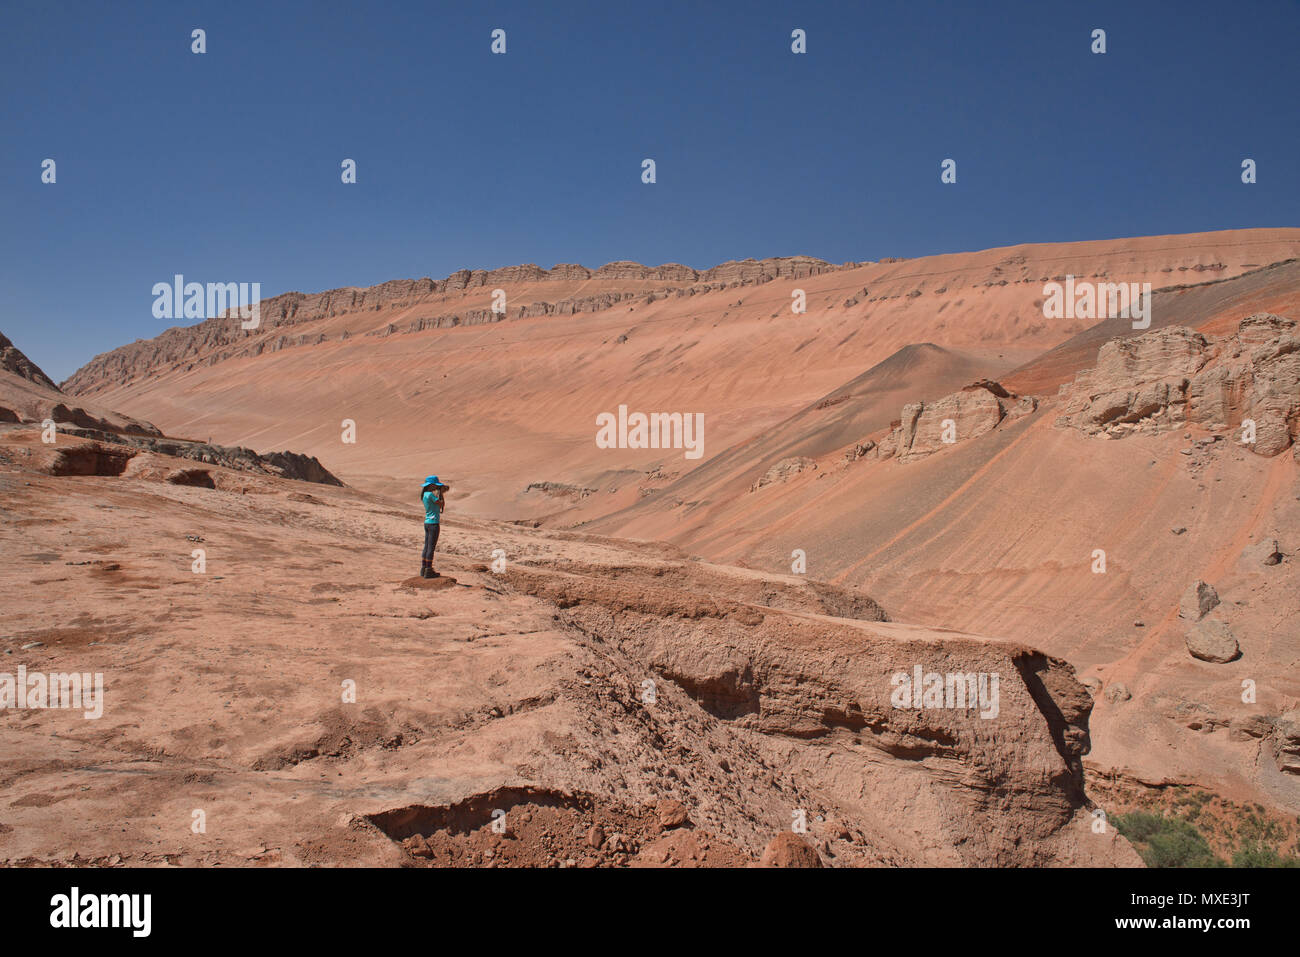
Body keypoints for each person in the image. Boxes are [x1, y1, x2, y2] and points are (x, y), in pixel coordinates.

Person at [420, 475, 449, 578]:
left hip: (427, 522)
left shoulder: (424, 495)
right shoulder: (430, 495)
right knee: (431, 547)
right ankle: (429, 570)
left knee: (426, 546)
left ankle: (424, 568)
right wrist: (441, 494)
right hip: (433, 523)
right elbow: (441, 505)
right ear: (431, 485)